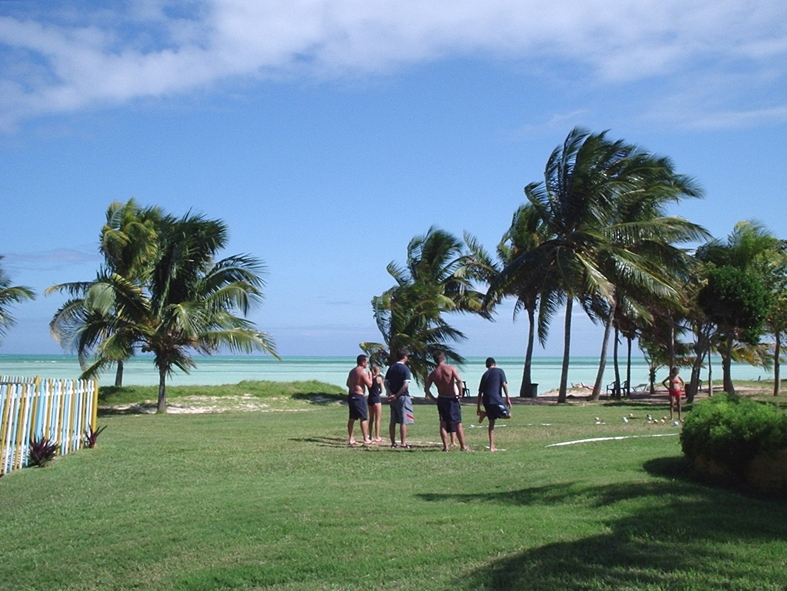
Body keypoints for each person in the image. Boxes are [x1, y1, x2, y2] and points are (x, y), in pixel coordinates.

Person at [425, 351, 470, 451]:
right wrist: (460, 393)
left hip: (442, 398)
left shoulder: (433, 373)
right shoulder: (451, 369)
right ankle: (463, 446)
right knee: (457, 423)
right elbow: (459, 380)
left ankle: (445, 447)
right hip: (451, 398)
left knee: (443, 422)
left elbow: (426, 389)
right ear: (443, 359)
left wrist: (433, 398)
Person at [477, 357, 511, 452]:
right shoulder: (500, 371)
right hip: (495, 399)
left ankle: (492, 446)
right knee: (508, 415)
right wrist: (508, 397)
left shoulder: (484, 375)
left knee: (492, 422)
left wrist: (478, 407)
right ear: (495, 364)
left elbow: (480, 393)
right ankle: (485, 414)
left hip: (486, 400)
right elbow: (504, 384)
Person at [384, 348, 414, 448]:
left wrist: (390, 393)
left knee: (393, 421)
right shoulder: (405, 369)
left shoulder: (391, 367)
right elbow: (405, 384)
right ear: (405, 357)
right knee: (403, 421)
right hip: (402, 396)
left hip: (392, 397)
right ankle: (403, 442)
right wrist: (397, 395)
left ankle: (393, 442)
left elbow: (386, 382)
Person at [346, 354, 372, 446]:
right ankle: (365, 438)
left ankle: (351, 438)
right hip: (358, 396)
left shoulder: (352, 371)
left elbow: (348, 384)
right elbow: (369, 384)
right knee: (363, 417)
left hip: (351, 395)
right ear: (363, 362)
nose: (367, 364)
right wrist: (370, 376)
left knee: (352, 418)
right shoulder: (362, 372)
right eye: (367, 362)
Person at [367, 365, 384, 443]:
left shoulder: (369, 379)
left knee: (371, 419)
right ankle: (377, 436)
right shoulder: (379, 379)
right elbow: (381, 390)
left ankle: (370, 436)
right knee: (377, 419)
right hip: (376, 399)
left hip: (370, 399)